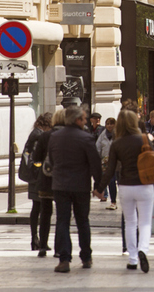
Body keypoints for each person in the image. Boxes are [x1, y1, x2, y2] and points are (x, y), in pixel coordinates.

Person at [94, 110, 154, 272]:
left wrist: (99, 188)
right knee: (145, 222)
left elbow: (110, 169)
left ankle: (133, 258)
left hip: (126, 185)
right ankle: (143, 249)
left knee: (130, 222)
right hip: (145, 185)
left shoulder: (117, 143)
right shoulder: (144, 139)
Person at [48, 106, 101, 273]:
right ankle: (86, 256)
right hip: (80, 186)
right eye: (84, 119)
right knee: (82, 221)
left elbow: (51, 159)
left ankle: (64, 259)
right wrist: (99, 185)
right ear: (77, 120)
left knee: (62, 220)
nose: (85, 121)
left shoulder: (55, 137)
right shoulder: (86, 138)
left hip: (60, 185)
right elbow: (95, 164)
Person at [30, 108, 65, 258]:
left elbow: (36, 158)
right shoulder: (68, 135)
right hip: (63, 180)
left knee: (45, 213)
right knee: (62, 215)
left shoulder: (44, 136)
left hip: (45, 179)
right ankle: (59, 248)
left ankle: (43, 245)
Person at [22, 113, 53, 250]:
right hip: (38, 176)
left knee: (37, 207)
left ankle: (35, 239)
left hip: (34, 175)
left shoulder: (35, 134)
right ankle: (37, 239)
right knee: (40, 208)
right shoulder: (39, 136)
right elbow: (38, 158)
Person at [95, 117, 118, 209]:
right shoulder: (103, 135)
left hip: (116, 161)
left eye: (111, 124)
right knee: (109, 181)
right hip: (105, 161)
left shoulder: (118, 135)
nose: (109, 126)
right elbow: (98, 147)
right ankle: (112, 200)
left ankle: (115, 201)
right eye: (107, 124)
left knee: (115, 181)